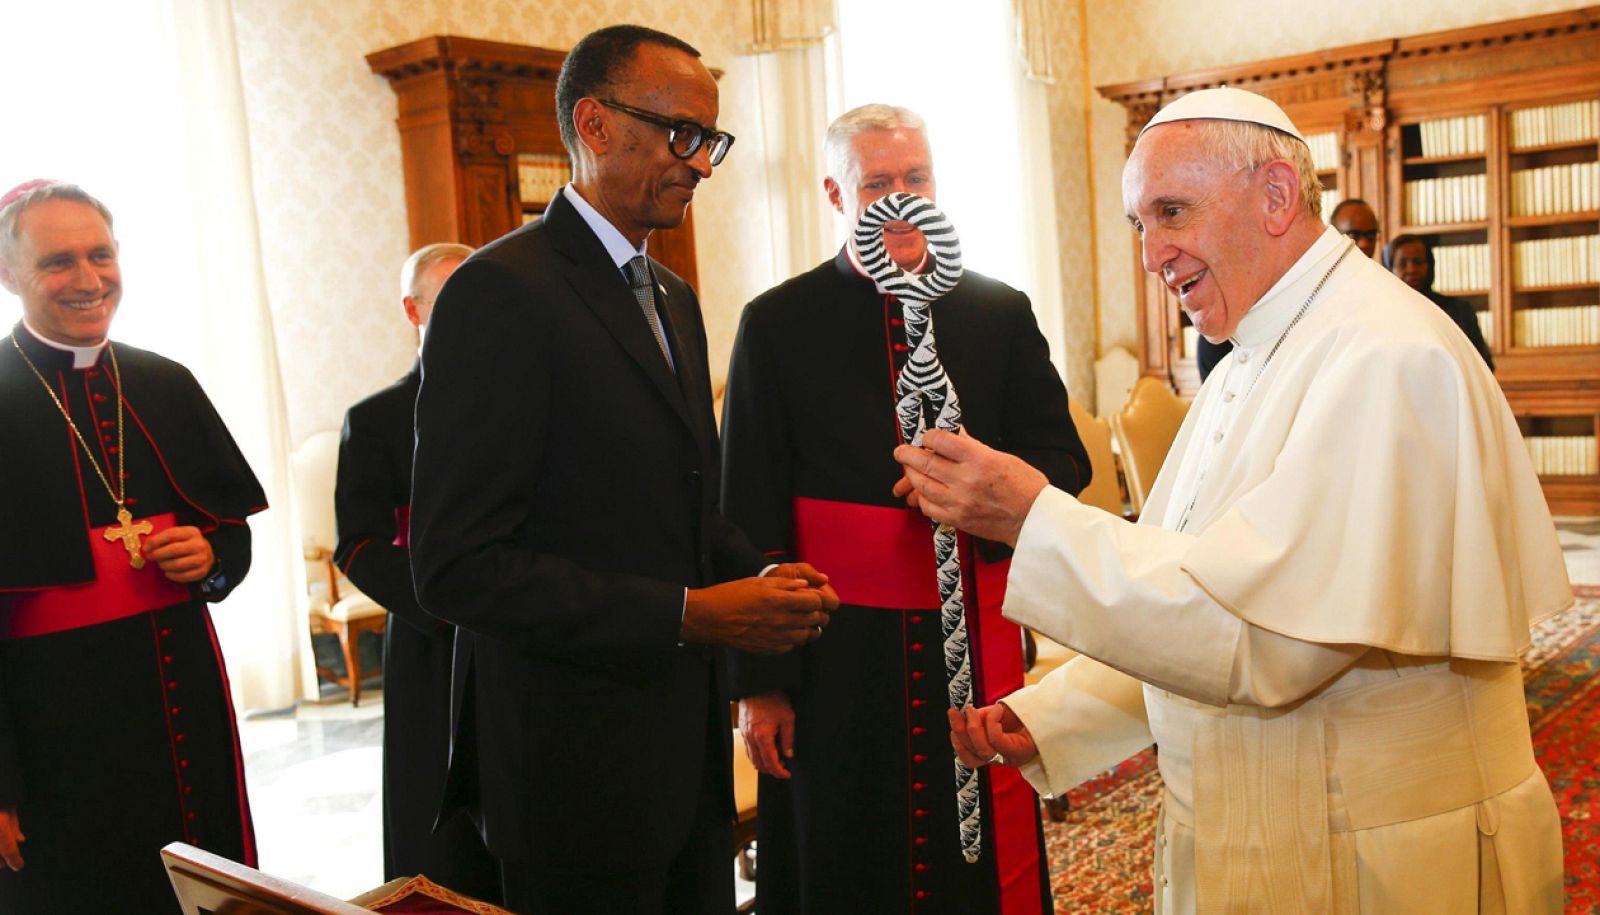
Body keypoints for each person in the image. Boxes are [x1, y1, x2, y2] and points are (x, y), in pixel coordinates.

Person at [894, 86, 1569, 914]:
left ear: (1276, 196)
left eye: (1171, 212)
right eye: (1140, 225)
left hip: (1385, 852)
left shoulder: (1385, 353)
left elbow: (1264, 636)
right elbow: (1199, 593)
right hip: (1275, 826)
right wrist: (1059, 714)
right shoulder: (1251, 350)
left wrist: (1032, 516)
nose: (1150, 253)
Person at [408, 25, 838, 914]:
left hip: (682, 756)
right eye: (684, 135)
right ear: (596, 125)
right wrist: (690, 614)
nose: (703, 165)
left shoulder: (671, 295)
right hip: (568, 764)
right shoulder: (501, 293)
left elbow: (686, 500)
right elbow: (454, 566)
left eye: (711, 141)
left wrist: (754, 574)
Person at [721, 103, 1087, 914]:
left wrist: (984, 488)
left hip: (974, 627)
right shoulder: (777, 323)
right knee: (844, 854)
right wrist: (762, 683)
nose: (900, 197)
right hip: (831, 649)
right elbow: (742, 512)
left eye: (915, 178)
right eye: (876, 182)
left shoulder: (999, 309)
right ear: (834, 193)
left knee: (980, 863)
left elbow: (1066, 463)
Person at [0, 180, 265, 913]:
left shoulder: (164, 383)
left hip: (178, 697)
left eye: (101, 254)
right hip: (49, 725)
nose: (88, 280)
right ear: (9, 274)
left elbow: (232, 533)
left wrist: (211, 560)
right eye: (58, 262)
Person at [334, 242, 501, 901]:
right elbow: (357, 545)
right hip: (431, 636)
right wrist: (448, 600)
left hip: (522, 631)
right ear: (413, 309)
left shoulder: (525, 403)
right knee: (435, 816)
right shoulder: (374, 421)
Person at [1197, 196, 1382, 380]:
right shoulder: (1226, 321)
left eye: (1370, 235)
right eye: (1354, 235)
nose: (1364, 243)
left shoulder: (1380, 291)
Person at [1386, 233, 1495, 369]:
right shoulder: (1384, 315)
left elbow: (1483, 365)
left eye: (1418, 262)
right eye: (1402, 264)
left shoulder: (1460, 310)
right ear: (1389, 270)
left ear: (1430, 266)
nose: (1411, 270)